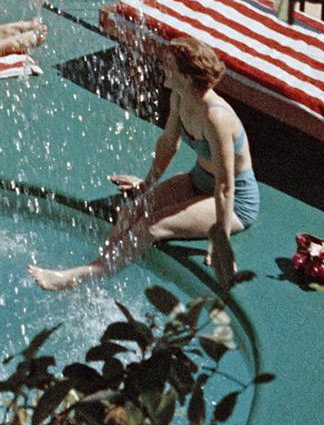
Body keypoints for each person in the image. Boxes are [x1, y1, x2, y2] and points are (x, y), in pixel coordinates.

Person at [30, 35, 258, 292]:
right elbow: (168, 145)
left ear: (186, 76)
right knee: (131, 211)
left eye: (169, 65)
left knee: (153, 226)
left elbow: (226, 186)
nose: (162, 68)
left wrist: (221, 242)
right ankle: (101, 272)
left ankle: (82, 276)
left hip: (235, 203)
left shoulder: (216, 117)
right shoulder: (180, 98)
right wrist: (146, 184)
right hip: (198, 181)